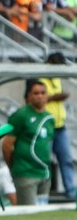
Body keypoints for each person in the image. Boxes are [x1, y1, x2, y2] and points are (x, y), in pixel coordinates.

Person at [2, 80, 54, 205]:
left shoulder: (49, 118)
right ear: (29, 96)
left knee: (42, 215)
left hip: (44, 172)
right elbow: (7, 145)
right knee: (28, 213)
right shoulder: (21, 115)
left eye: (43, 93)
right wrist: (13, 167)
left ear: (47, 95)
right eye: (36, 93)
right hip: (26, 172)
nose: (40, 96)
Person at [40, 52, 75, 199]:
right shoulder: (40, 79)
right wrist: (56, 97)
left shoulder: (56, 78)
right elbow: (39, 98)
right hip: (45, 127)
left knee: (66, 159)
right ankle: (43, 193)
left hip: (60, 126)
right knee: (44, 161)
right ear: (50, 63)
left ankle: (71, 191)